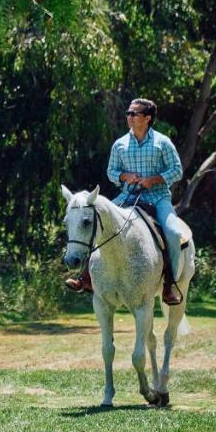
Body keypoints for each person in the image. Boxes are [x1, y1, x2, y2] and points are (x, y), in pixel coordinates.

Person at [66, 97, 185, 305]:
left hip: (158, 198)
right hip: (127, 197)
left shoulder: (162, 142)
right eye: (128, 113)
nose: (129, 117)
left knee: (173, 233)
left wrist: (153, 180)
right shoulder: (120, 144)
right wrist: (125, 177)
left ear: (147, 118)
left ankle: (169, 285)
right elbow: (111, 172)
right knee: (98, 221)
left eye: (134, 114)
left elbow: (177, 170)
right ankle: (85, 277)